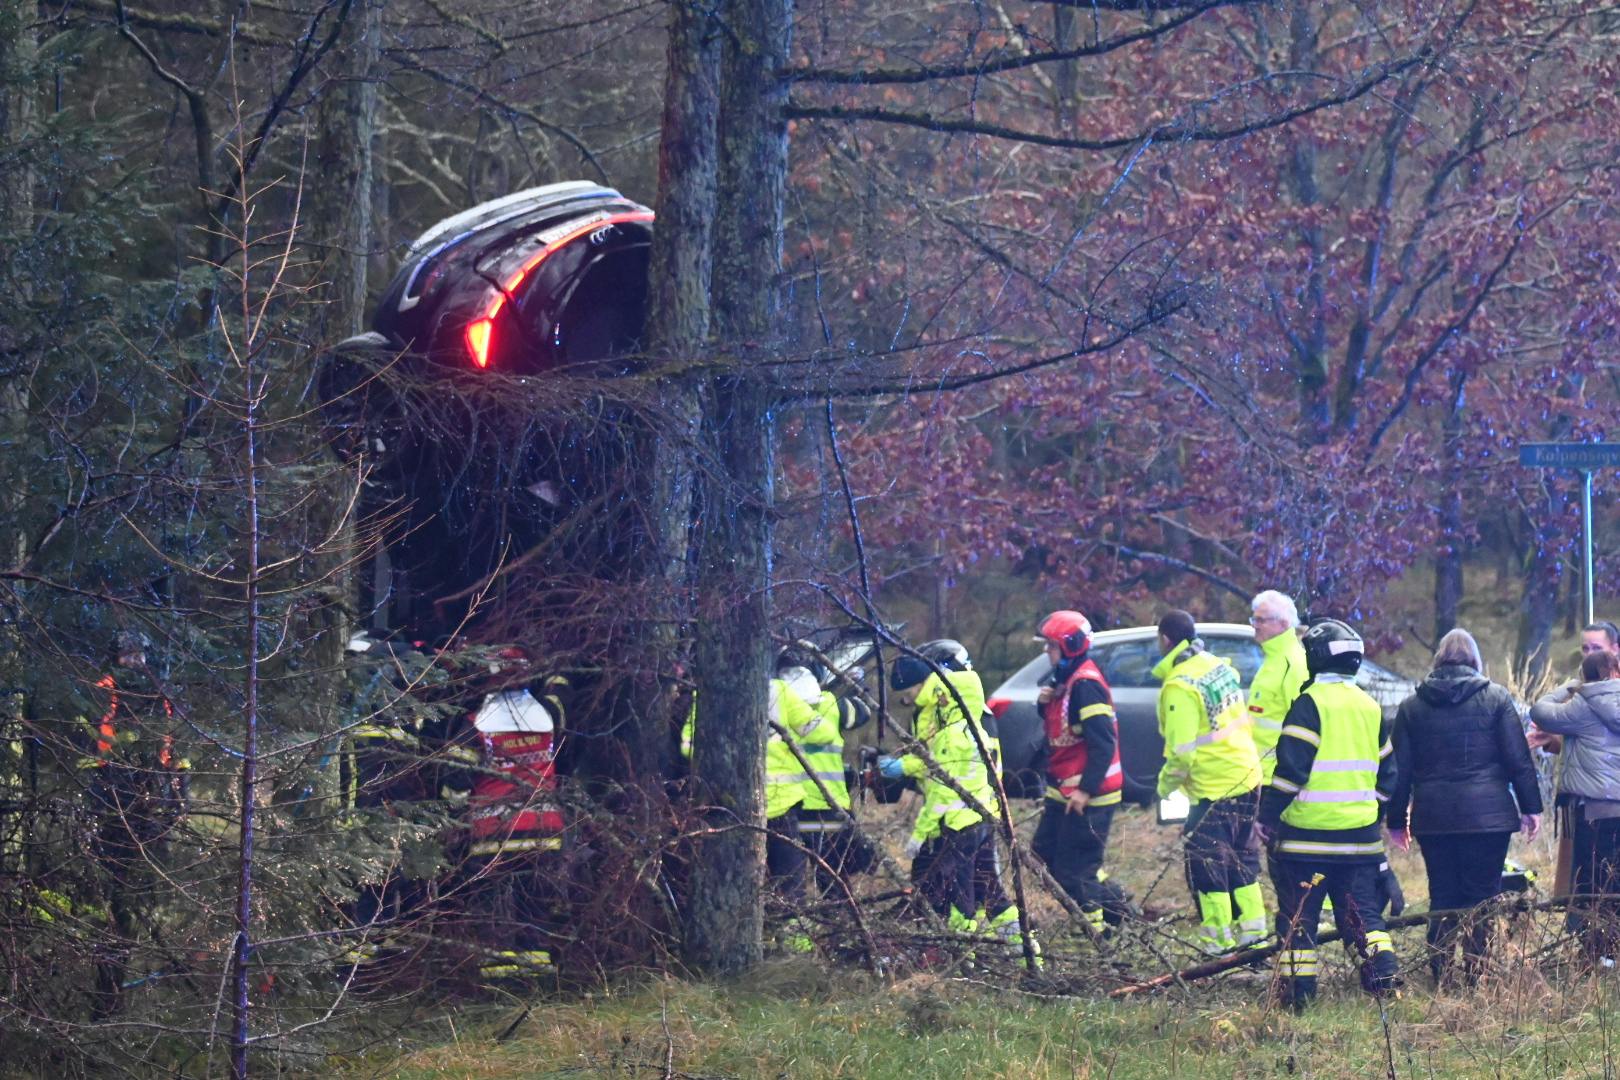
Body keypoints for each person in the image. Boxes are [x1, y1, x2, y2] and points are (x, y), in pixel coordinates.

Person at [1385, 627, 1543, 985]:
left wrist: (1396, 820)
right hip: (1489, 818)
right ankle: (1477, 973)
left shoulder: (1411, 707)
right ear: (1475, 660)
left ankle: (1440, 971)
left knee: (1442, 893)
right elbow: (1518, 760)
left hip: (1434, 816)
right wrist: (1531, 808)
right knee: (1482, 896)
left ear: (1438, 659)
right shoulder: (1497, 699)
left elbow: (1400, 770)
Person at [1258, 619, 1399, 1009]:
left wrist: (1267, 817)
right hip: (1358, 842)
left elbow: (1290, 772)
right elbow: (1389, 775)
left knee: (1298, 921)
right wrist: (1370, 814)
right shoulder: (1370, 707)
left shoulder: (1308, 705)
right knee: (1361, 915)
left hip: (1306, 841)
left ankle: (1298, 998)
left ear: (1314, 660)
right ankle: (1385, 978)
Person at [440, 645, 566, 982]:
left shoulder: (475, 724)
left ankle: (497, 975)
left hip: (492, 834)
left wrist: (453, 814)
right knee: (535, 903)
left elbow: (457, 778)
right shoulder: (548, 717)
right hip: (544, 831)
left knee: (492, 903)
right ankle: (536, 969)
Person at [1151, 609, 1267, 954]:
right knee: (1244, 860)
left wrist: (1164, 788)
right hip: (1246, 777)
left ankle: (1218, 946)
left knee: (1208, 869)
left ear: (1165, 641)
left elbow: (1183, 753)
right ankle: (1255, 937)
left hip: (1212, 788)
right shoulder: (1217, 666)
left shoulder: (1180, 686)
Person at [878, 651, 1008, 947]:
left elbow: (939, 787)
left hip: (958, 824)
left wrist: (920, 834)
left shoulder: (951, 734)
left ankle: (967, 958)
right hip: (981, 816)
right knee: (990, 892)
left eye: (911, 691)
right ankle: (1021, 949)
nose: (910, 699)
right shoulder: (972, 724)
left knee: (961, 898)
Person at [1030, 610, 1133, 936]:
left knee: (1075, 872)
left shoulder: (1086, 686)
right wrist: (1045, 703)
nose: (1047, 653)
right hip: (1063, 787)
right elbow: (1060, 728)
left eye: (1051, 647)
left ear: (1070, 647)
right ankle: (1117, 904)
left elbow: (1103, 743)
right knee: (1043, 855)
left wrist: (1086, 791)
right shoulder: (1067, 681)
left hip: (1091, 793)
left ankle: (1096, 936)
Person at [1529, 648, 1620, 963]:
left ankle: (1599, 953)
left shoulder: (1582, 705)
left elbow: (1539, 711)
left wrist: (1568, 686)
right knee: (1616, 879)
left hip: (1594, 810)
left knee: (1591, 882)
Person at [1248, 591, 1309, 782]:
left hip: (1277, 777)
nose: (1255, 626)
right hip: (1260, 774)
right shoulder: (1274, 658)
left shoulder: (1293, 663)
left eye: (1261, 620)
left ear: (1283, 624)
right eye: (1254, 619)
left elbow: (1303, 726)